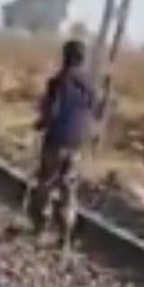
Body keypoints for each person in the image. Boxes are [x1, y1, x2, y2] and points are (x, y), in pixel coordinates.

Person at [28, 39, 101, 251]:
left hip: (56, 140)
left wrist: (40, 124)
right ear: (83, 59)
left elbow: (52, 111)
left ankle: (41, 228)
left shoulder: (58, 81)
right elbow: (95, 112)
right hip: (77, 143)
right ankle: (65, 234)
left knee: (46, 183)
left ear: (65, 56)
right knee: (68, 188)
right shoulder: (91, 86)